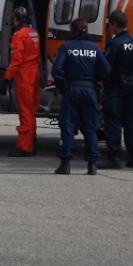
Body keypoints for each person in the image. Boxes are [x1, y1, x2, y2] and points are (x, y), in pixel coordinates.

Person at [51, 18, 110, 175]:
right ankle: (92, 165)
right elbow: (106, 70)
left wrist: (62, 86)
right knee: (90, 128)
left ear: (72, 30)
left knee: (68, 126)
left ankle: (65, 164)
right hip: (90, 91)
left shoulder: (67, 47)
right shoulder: (95, 48)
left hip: (72, 90)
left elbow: (56, 69)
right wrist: (95, 79)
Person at [0, 7, 41, 157]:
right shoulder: (34, 33)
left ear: (15, 19)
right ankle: (31, 141)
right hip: (34, 72)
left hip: (24, 75)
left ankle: (25, 146)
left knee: (25, 111)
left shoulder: (19, 36)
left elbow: (16, 60)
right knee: (32, 110)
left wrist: (6, 78)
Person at [102, 9, 133, 168]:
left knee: (113, 120)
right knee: (130, 121)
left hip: (116, 87)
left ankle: (114, 157)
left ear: (113, 24)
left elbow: (106, 66)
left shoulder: (115, 43)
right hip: (131, 86)